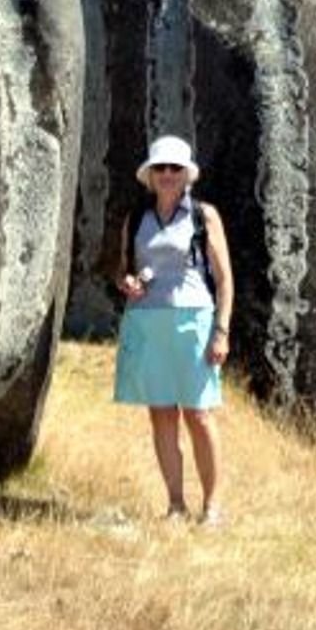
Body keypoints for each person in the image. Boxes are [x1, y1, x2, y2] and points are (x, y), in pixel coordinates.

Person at [113, 134, 234, 525]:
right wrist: (126, 283)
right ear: (149, 174)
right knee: (161, 415)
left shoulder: (205, 215)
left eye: (175, 168)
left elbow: (224, 279)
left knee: (199, 415)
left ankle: (212, 507)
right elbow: (122, 269)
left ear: (187, 175)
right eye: (160, 168)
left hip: (193, 322)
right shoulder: (136, 217)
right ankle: (176, 506)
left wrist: (221, 331)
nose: (167, 174)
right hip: (147, 322)